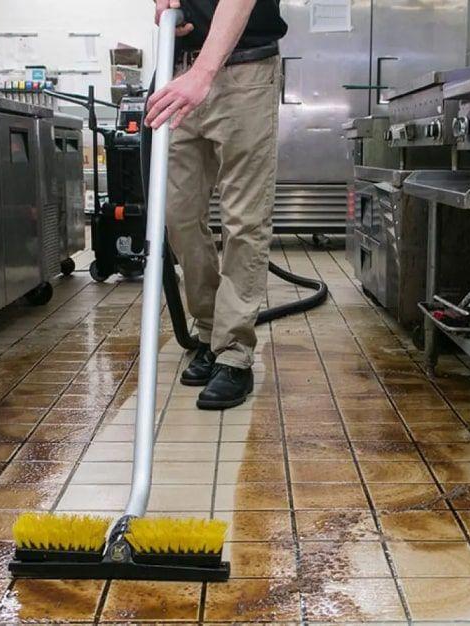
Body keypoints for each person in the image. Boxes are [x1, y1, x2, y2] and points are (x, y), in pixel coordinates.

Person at [145, 0, 287, 409]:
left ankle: (234, 352)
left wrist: (203, 73)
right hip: (181, 70)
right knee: (177, 214)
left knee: (244, 219)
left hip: (246, 69)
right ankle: (208, 330)